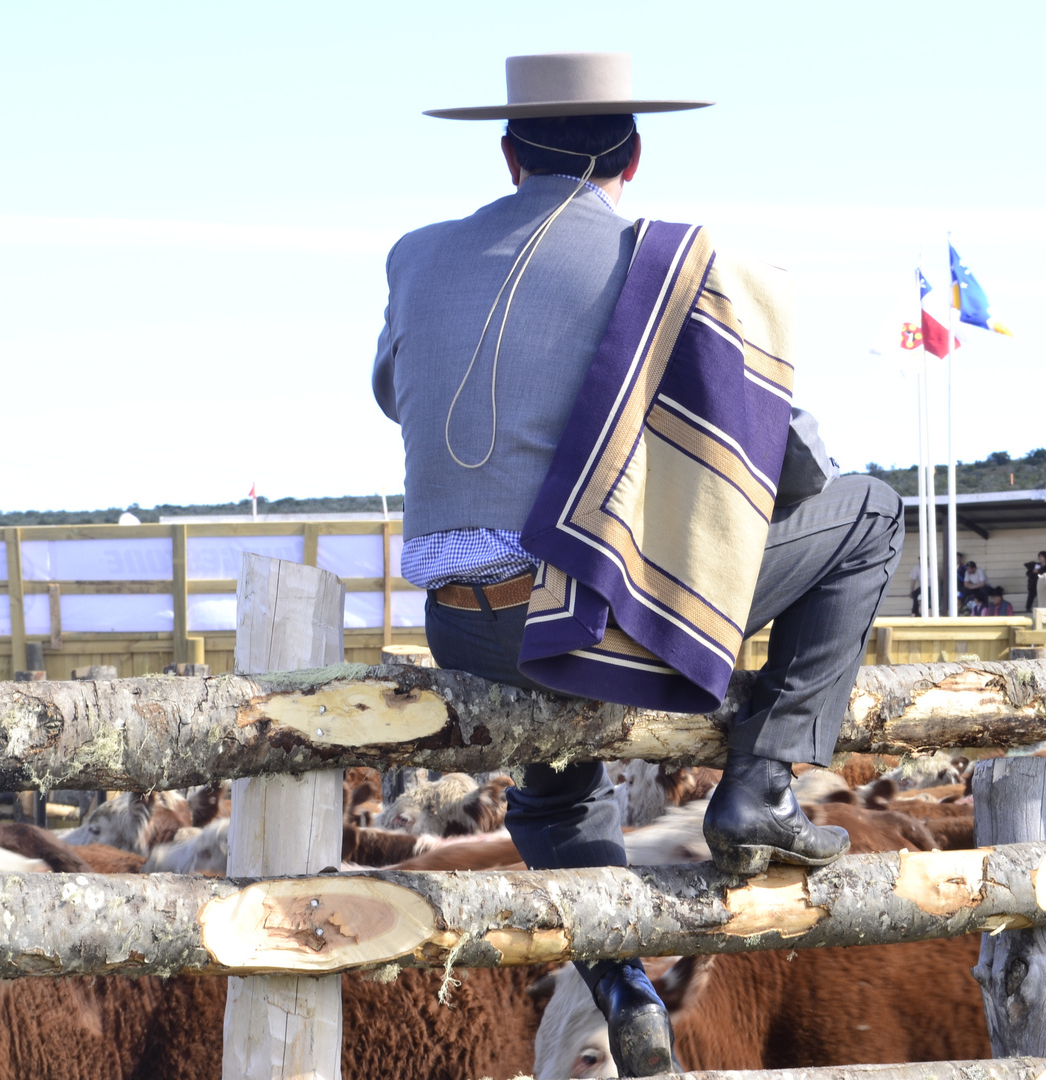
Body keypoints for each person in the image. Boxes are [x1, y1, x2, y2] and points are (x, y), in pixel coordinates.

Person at [371, 53, 903, 1075]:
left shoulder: (416, 254)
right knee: (871, 513)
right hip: (590, 618)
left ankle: (622, 987)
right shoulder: (679, 261)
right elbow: (797, 466)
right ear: (636, 156)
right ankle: (763, 783)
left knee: (556, 797)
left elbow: (398, 395)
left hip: (465, 628)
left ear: (507, 154)